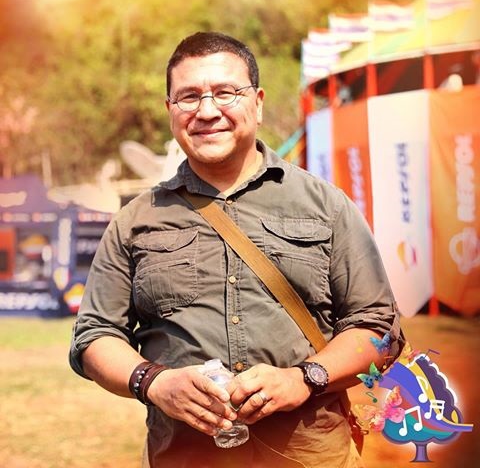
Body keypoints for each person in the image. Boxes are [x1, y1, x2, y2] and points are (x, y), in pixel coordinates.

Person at [70, 31, 404, 468]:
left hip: (311, 457)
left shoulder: (327, 206)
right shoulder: (135, 220)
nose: (207, 111)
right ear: (170, 111)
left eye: (226, 92)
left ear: (258, 103)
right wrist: (154, 382)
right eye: (189, 97)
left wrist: (305, 377)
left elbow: (379, 327)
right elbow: (94, 336)